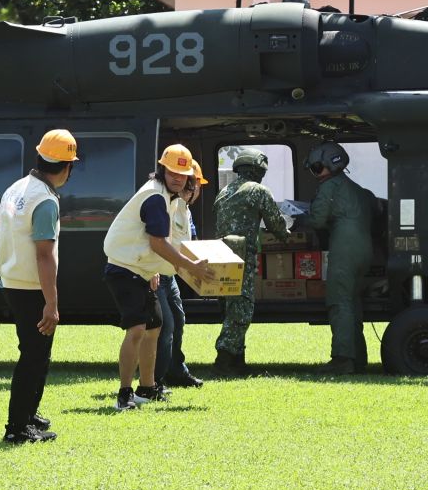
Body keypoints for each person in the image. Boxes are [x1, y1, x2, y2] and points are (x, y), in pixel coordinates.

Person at [101, 144, 215, 410]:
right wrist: (192, 267)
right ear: (162, 169)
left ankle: (147, 388)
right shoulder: (155, 197)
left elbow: (157, 243)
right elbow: (158, 243)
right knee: (138, 329)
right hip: (123, 269)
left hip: (141, 270)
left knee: (155, 327)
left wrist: (153, 270)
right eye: (172, 171)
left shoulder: (169, 197)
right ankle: (124, 394)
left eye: (183, 173)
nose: (178, 177)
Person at [0, 129, 76, 444]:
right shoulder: (45, 200)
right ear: (68, 167)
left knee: (37, 353)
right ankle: (17, 427)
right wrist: (52, 303)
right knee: (33, 356)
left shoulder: (17, 188)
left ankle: (30, 415)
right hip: (30, 287)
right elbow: (45, 255)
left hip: (12, 280)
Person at [212, 148, 289, 376]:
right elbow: (276, 224)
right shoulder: (257, 190)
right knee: (242, 309)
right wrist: (288, 233)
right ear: (259, 170)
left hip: (221, 257)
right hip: (242, 256)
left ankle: (237, 361)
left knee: (230, 307)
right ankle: (223, 360)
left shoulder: (224, 191)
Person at [307, 142, 373, 374]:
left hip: (345, 249)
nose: (315, 173)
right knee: (353, 303)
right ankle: (359, 359)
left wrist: (299, 218)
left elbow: (317, 220)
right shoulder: (357, 190)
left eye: (316, 167)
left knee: (339, 302)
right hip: (365, 251)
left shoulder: (329, 187)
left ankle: (342, 359)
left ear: (326, 166)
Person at [154, 198, 204, 389]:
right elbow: (157, 242)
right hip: (157, 273)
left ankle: (176, 372)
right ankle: (155, 381)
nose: (196, 190)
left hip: (170, 275)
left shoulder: (186, 210)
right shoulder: (167, 205)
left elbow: (190, 240)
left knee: (178, 321)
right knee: (165, 326)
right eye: (195, 184)